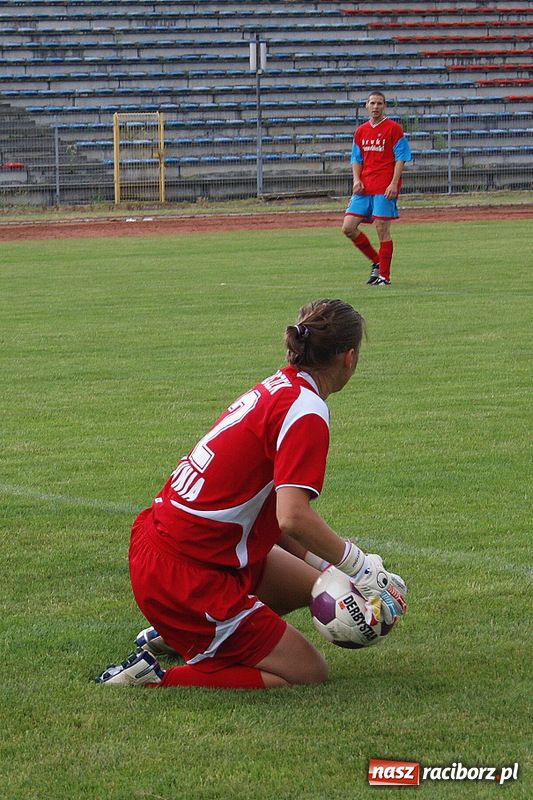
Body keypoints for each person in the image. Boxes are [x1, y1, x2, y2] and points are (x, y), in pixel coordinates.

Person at [96, 299, 407, 690]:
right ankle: (155, 676)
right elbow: (292, 516)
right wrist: (362, 568)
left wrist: (339, 571)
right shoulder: (306, 409)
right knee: (307, 671)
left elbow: (270, 516)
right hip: (188, 574)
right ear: (349, 358)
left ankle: (178, 635)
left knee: (318, 583)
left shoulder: (281, 387)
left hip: (174, 548)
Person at [342, 91, 411, 286]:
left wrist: (393, 183)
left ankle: (384, 277)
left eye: (379, 103)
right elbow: (356, 158)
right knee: (348, 227)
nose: (375, 107)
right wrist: (356, 180)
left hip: (384, 187)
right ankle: (377, 261)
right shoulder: (361, 131)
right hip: (364, 187)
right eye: (372, 103)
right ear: (366, 105)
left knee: (382, 228)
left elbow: (401, 158)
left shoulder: (393, 129)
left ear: (384, 106)